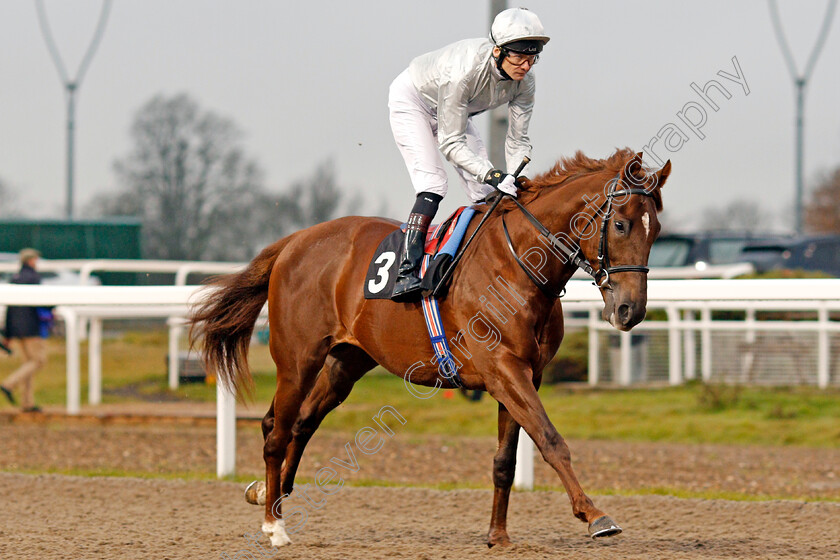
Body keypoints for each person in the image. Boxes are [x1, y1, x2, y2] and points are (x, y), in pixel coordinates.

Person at [388, 7, 550, 301]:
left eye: (532, 57)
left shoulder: (525, 83)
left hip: (454, 111)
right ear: (498, 51)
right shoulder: (464, 71)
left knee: (485, 191)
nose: (526, 66)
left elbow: (518, 141)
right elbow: (450, 143)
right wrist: (492, 172)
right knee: (434, 183)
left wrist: (510, 176)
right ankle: (405, 272)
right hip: (414, 101)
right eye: (519, 57)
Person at [1, 248, 49, 413]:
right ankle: (9, 383)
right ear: (31, 260)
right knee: (38, 361)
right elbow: (43, 303)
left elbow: (9, 308)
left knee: (28, 363)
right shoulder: (33, 278)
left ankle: (27, 402)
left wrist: (7, 333)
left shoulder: (15, 279)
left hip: (16, 329)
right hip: (31, 329)